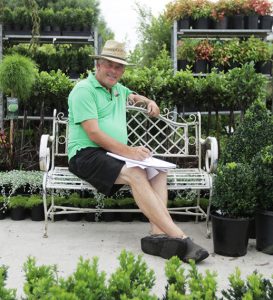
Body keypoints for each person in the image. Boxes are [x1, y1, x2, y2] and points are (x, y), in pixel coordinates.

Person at [68, 40, 209, 263]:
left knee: (158, 172)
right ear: (98, 65)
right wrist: (130, 152)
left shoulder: (116, 90)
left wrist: (148, 101)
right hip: (86, 154)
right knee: (136, 172)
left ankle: (157, 235)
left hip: (111, 154)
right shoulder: (83, 90)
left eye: (119, 67)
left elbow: (132, 95)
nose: (113, 71)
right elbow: (93, 134)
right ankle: (180, 237)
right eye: (109, 65)